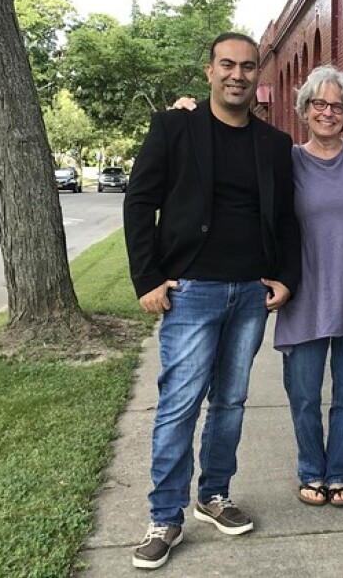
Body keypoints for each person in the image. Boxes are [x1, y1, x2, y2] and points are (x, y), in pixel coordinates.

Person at [171, 66, 343, 508]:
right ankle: (312, 470)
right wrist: (187, 116)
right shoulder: (282, 158)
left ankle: (339, 471)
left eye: (338, 106)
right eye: (319, 104)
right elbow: (226, 158)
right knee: (305, 395)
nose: (328, 113)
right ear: (304, 109)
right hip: (304, 293)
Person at [123, 32, 301, 570]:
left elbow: (287, 217)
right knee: (179, 404)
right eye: (227, 65)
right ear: (209, 72)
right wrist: (147, 278)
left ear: (256, 77)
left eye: (248, 67)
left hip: (249, 293)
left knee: (230, 402)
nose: (238, 75)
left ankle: (214, 495)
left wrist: (285, 276)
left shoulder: (272, 144)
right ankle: (165, 517)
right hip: (191, 292)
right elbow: (140, 202)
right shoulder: (175, 127)